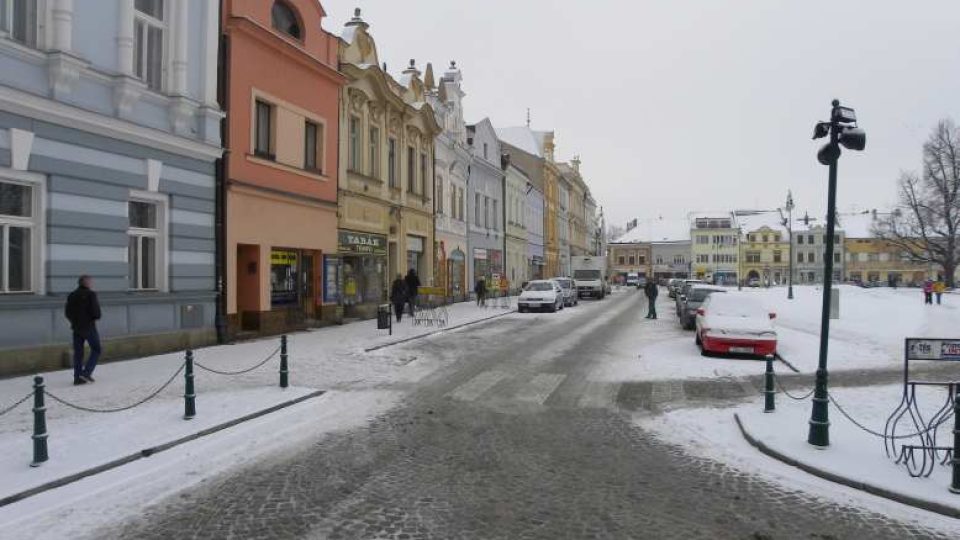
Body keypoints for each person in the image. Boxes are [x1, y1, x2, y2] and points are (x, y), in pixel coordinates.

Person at [64, 275, 102, 385]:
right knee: (96, 349)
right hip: (89, 326)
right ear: (86, 283)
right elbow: (96, 312)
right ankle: (86, 373)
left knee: (78, 353)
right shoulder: (91, 294)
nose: (91, 283)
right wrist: (94, 317)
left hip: (76, 327)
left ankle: (77, 377)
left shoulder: (72, 295)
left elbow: (67, 312)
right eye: (90, 281)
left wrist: (74, 321)